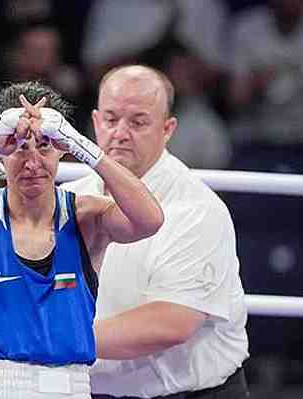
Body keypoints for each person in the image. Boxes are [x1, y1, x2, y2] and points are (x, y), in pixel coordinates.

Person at [0, 80, 164, 398]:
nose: (32, 163)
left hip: (70, 388)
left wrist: (80, 144)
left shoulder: (87, 216)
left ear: (61, 149)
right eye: (18, 147)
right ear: (1, 153)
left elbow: (150, 220)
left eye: (45, 145)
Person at [61, 65, 250, 398]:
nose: (120, 133)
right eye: (110, 118)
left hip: (189, 393)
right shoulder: (67, 198)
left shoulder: (196, 209)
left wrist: (55, 338)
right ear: (94, 122)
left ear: (167, 129)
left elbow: (171, 323)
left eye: (137, 122)